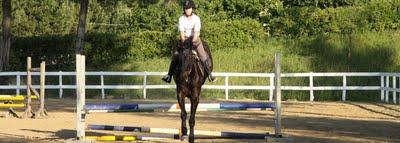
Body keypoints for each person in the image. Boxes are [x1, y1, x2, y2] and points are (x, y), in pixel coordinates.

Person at [162, 0, 216, 83]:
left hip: (195, 39)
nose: (187, 10)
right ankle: (169, 75)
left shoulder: (196, 19)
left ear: (192, 9)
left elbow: (196, 33)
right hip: (184, 40)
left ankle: (209, 74)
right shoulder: (181, 19)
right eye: (186, 8)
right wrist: (185, 42)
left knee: (202, 54)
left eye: (189, 8)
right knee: (175, 55)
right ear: (184, 9)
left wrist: (191, 42)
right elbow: (181, 34)